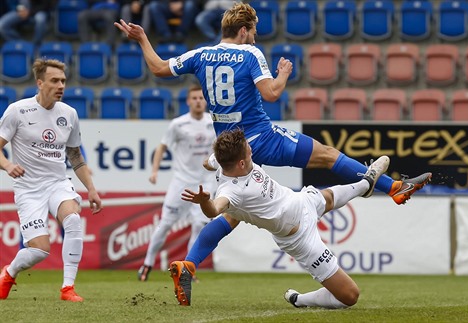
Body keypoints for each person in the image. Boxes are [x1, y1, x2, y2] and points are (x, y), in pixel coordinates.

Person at [114, 1, 431, 302]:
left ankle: (189, 263)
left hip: (230, 151)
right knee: (329, 155)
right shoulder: (249, 53)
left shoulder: (201, 54)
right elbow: (272, 93)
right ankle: (395, 188)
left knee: (232, 215)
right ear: (243, 31)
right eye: (252, 31)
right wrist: (283, 73)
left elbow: (157, 68)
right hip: (260, 137)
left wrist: (142, 38)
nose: (254, 36)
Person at [176, 129, 389, 308]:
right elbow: (214, 210)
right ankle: (301, 300)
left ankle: (366, 184)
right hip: (300, 236)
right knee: (350, 296)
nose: (252, 150)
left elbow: (208, 162)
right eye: (249, 151)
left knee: (329, 198)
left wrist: (210, 161)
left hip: (301, 200)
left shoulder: (225, 161)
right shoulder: (232, 191)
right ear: (241, 163)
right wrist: (204, 200)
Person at [0, 58, 103, 302]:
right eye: (54, 80)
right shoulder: (17, 111)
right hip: (28, 189)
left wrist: (91, 189)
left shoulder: (69, 114)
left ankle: (68, 288)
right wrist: (7, 165)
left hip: (58, 182)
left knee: (73, 220)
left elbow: (75, 156)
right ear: (40, 83)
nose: (61, 86)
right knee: (38, 251)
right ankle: (9, 272)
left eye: (63, 81)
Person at [137, 84, 216, 282]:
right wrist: (154, 171)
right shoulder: (178, 124)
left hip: (205, 182)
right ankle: (147, 264)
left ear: (205, 100)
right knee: (165, 225)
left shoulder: (213, 122)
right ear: (188, 101)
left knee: (199, 226)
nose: (198, 101)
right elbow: (162, 147)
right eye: (194, 98)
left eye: (201, 98)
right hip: (181, 182)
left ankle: (189, 269)